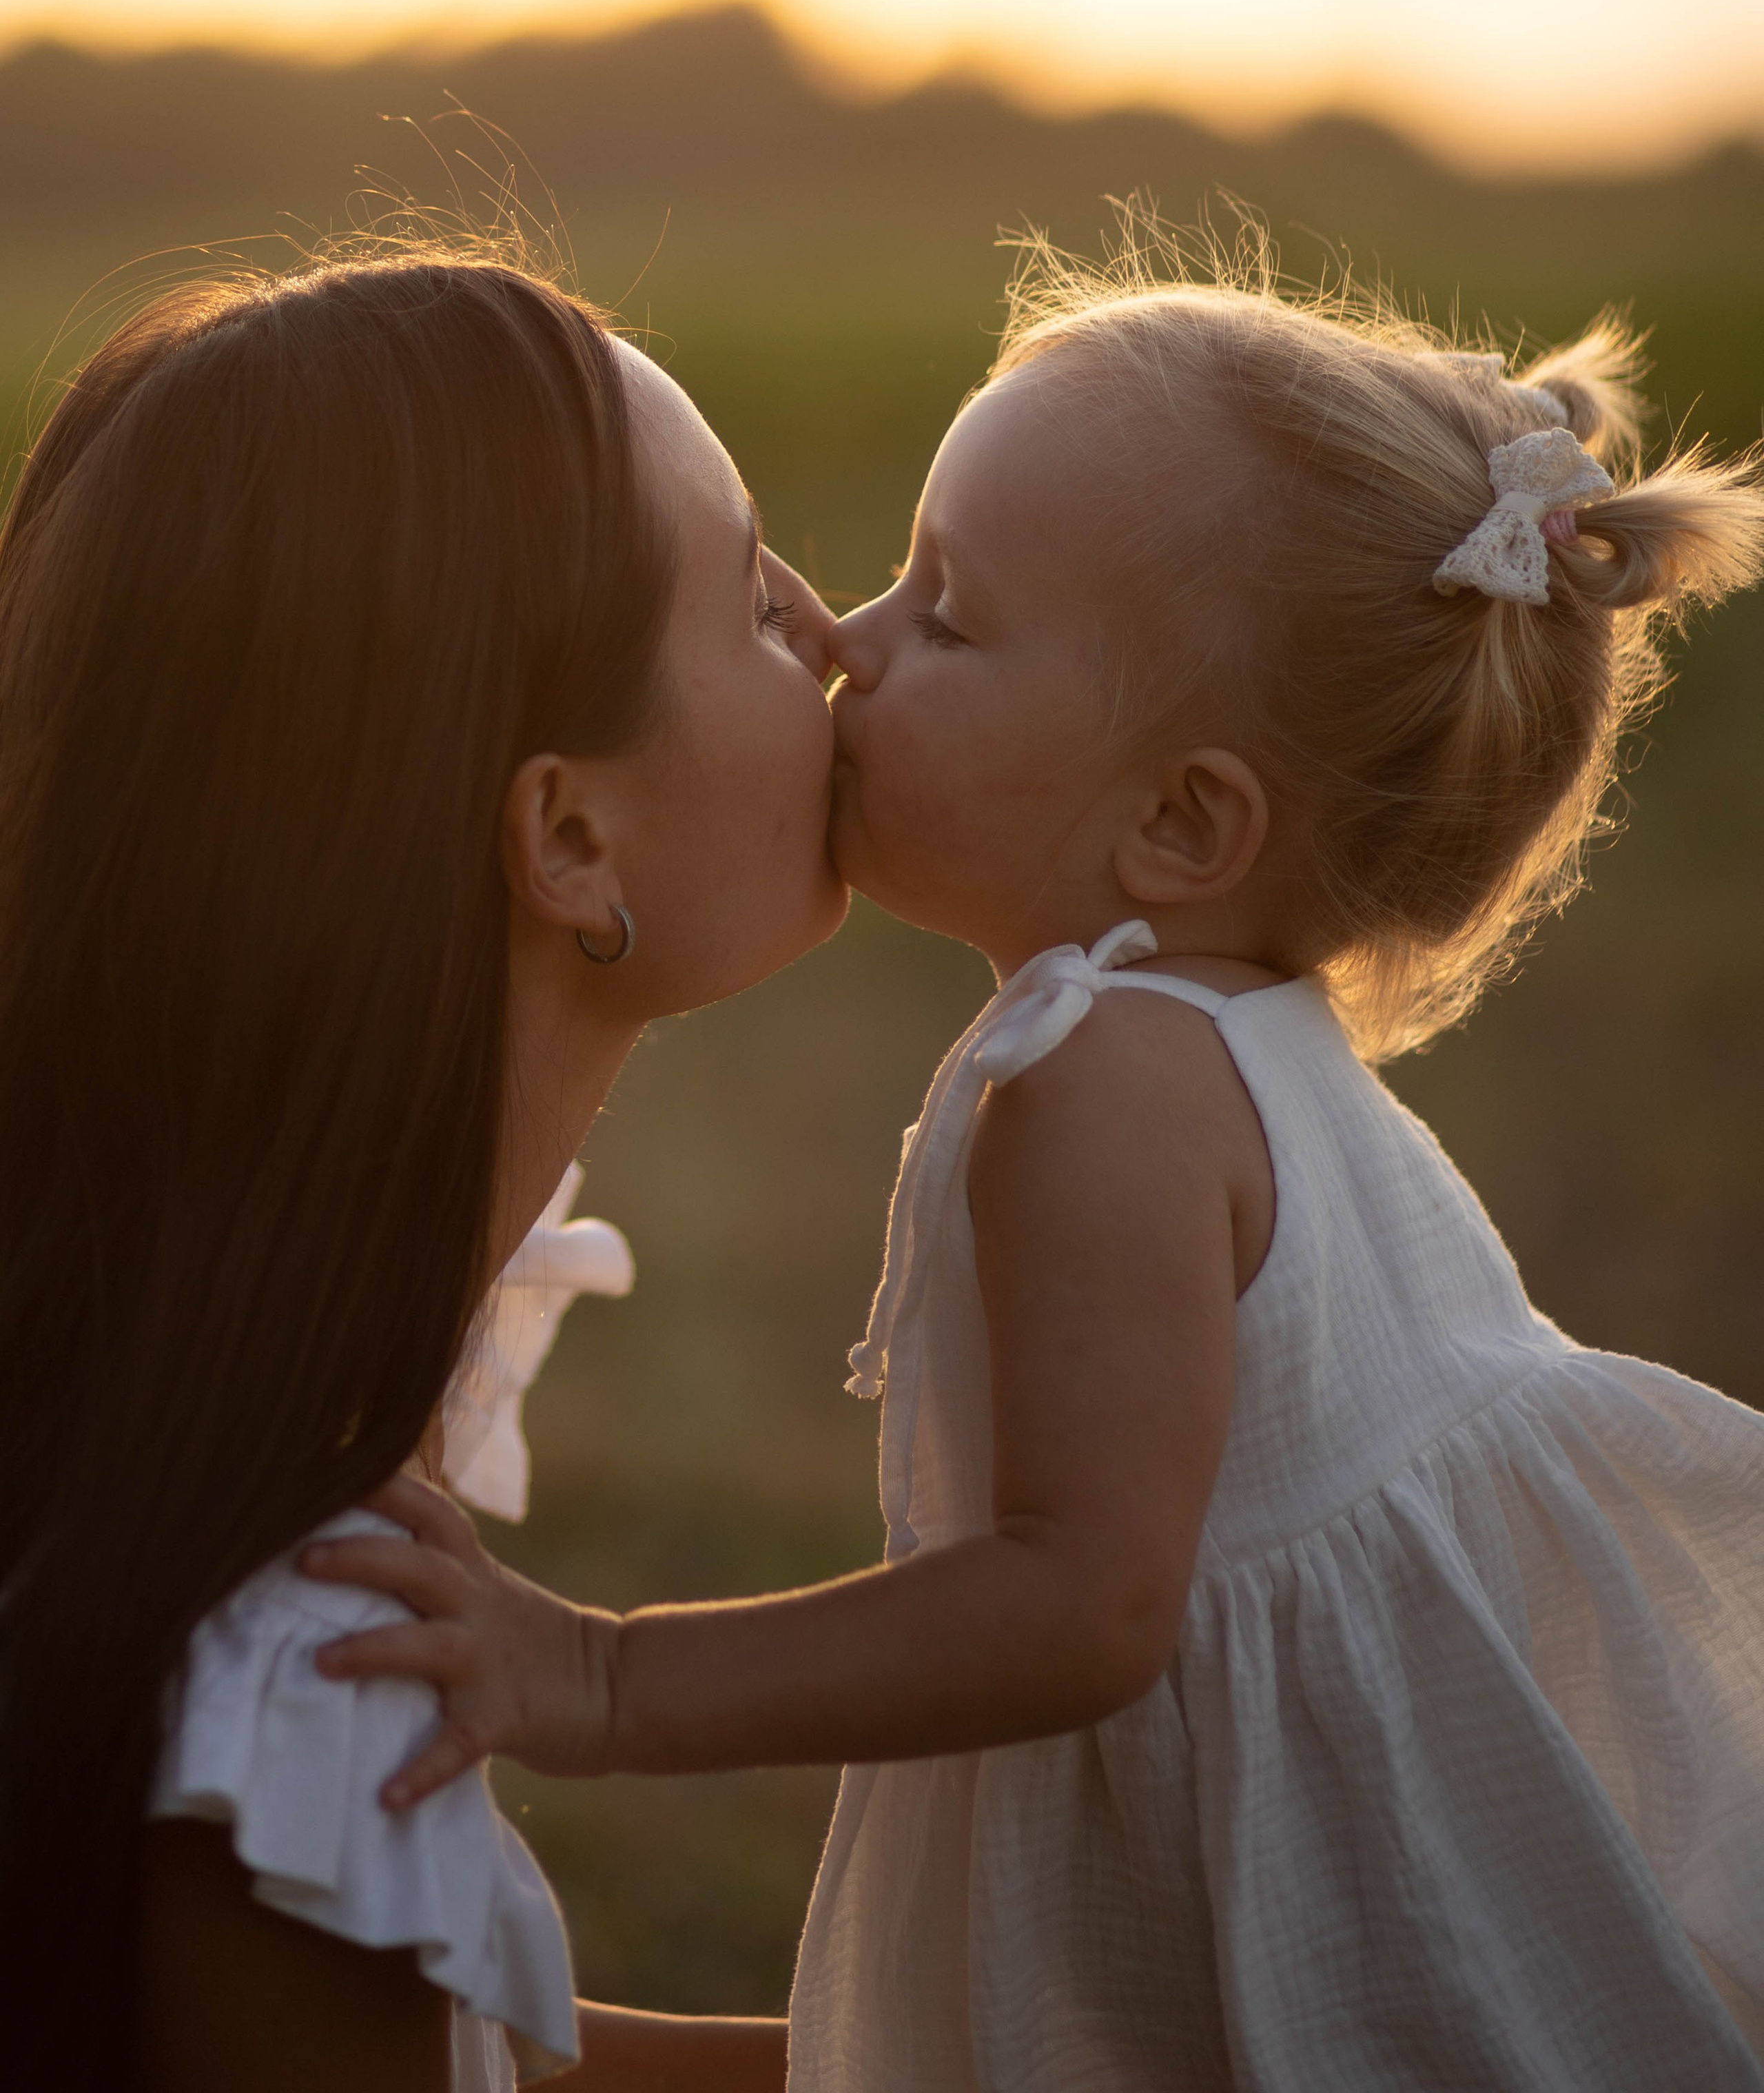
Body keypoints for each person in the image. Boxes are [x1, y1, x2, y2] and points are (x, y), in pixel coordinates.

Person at [310, 249, 1764, 2090]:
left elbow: (1085, 1603)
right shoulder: (1231, 1047)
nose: (849, 634)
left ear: (1181, 817)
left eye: (949, 608)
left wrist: (597, 1676)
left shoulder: (1106, 1084)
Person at [0, 253, 842, 2090]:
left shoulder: (192, 1398)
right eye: (758, 590)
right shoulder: (303, 1669)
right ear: (565, 832)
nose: (838, 631)